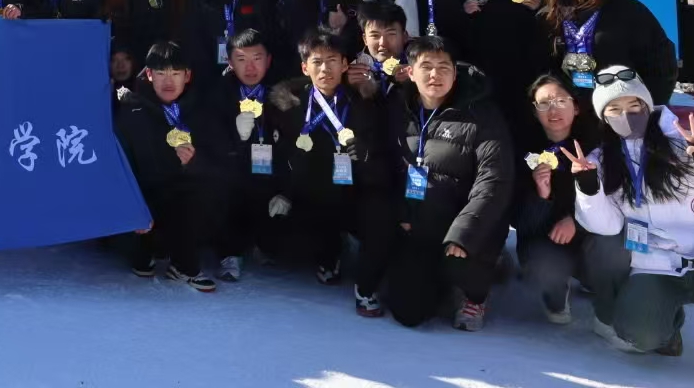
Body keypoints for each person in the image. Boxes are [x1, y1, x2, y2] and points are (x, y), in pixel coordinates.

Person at [571, 66, 694, 356]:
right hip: (659, 266)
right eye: (614, 109)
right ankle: (666, 326)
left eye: (634, 106)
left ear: (647, 105)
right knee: (638, 334)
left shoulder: (688, 142)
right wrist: (589, 188)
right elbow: (606, 227)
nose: (626, 115)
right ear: (603, 117)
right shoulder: (602, 161)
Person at [382, 35, 512, 330]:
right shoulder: (398, 107)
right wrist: (401, 213)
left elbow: (494, 181)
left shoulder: (481, 113)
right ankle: (438, 279)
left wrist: (463, 233)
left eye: (444, 67)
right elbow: (385, 168)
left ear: (456, 72)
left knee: (462, 260)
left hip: (465, 226)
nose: (435, 75)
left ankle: (475, 293)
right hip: (419, 224)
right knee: (408, 312)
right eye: (426, 66)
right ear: (410, 72)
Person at [268, 30, 393, 317]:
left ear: (345, 64)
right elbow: (282, 155)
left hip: (358, 190)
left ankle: (365, 287)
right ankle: (328, 254)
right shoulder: (290, 106)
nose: (325, 69)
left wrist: (366, 156)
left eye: (332, 60)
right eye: (317, 62)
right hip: (314, 193)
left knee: (382, 219)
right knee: (283, 234)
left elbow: (385, 157)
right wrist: (284, 192)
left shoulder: (365, 101)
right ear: (305, 67)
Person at [512, 74, 627, 326]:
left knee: (611, 253)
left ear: (575, 107)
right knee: (544, 267)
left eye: (561, 101)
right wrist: (541, 195)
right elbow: (520, 222)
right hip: (545, 239)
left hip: (589, 235)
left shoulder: (597, 145)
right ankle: (554, 289)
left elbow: (616, 200)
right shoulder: (523, 150)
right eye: (544, 104)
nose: (553, 110)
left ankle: (601, 290)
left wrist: (576, 221)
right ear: (534, 111)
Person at [113, 41, 227, 290]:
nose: (168, 81)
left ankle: (184, 265)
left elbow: (220, 162)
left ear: (187, 76)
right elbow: (118, 168)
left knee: (205, 193)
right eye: (161, 73)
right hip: (144, 204)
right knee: (137, 256)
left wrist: (195, 161)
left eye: (175, 73)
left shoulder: (201, 111)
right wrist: (134, 209)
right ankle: (144, 250)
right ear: (149, 74)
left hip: (181, 202)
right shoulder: (131, 110)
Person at [454, 0, 552, 143]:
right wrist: (462, 15)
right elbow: (453, 39)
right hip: (479, 90)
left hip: (523, 88)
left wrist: (539, 11)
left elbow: (549, 37)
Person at [542, 0, 675, 104]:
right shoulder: (548, 17)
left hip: (620, 107)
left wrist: (649, 105)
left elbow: (661, 63)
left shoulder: (629, 11)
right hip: (570, 109)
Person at [212, 29, 286, 282]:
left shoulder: (282, 94)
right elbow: (211, 142)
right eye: (242, 59)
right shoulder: (219, 94)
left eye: (257, 58)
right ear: (230, 63)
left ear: (269, 60)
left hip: (270, 174)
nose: (250, 67)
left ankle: (265, 244)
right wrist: (236, 137)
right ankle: (229, 252)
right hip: (233, 174)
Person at [346, 0, 413, 103]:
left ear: (404, 36)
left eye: (390, 34)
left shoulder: (420, 64)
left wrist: (417, 82)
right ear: (365, 39)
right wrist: (348, 86)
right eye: (375, 35)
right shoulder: (350, 66)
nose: (382, 43)